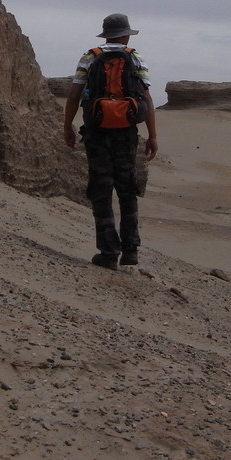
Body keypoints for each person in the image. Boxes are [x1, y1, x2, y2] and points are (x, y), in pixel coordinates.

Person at [63, 13, 158, 270]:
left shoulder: (90, 56)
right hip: (126, 132)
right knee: (127, 188)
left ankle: (107, 252)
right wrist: (153, 135)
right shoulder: (135, 56)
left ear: (105, 34)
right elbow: (146, 99)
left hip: (96, 130)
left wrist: (67, 126)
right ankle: (130, 251)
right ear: (126, 35)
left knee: (101, 188)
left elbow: (74, 96)